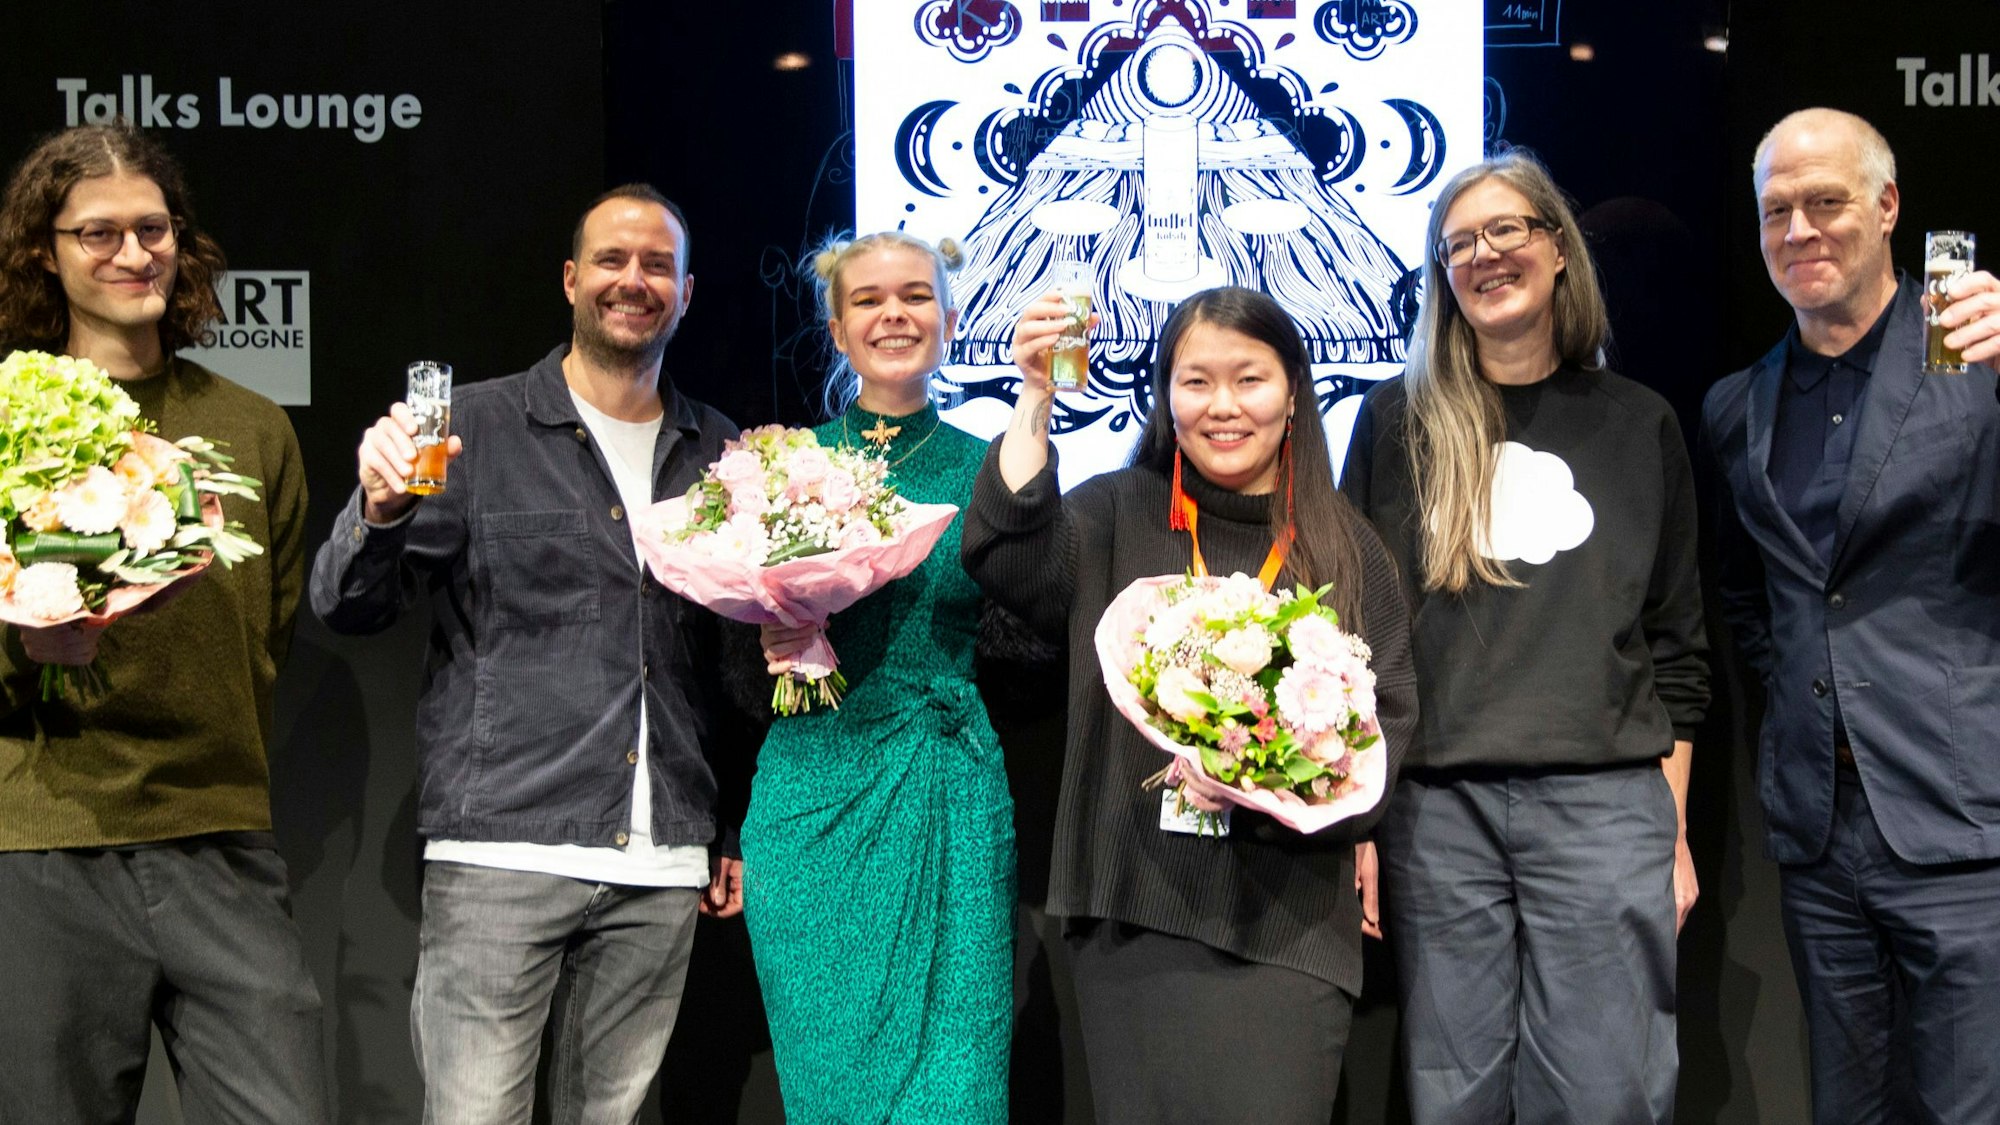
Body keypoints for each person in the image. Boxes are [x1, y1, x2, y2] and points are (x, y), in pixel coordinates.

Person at [310, 184, 749, 1123]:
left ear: (687, 292)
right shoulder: (471, 424)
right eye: (612, 260)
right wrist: (377, 511)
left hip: (664, 859)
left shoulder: (725, 451)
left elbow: (735, 670)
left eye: (657, 265)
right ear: (570, 279)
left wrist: (732, 828)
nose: (633, 281)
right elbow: (345, 604)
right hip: (503, 847)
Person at [962, 284, 1417, 1123]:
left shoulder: (1346, 545)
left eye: (1249, 379)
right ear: (1166, 397)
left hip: (1287, 924)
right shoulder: (1112, 511)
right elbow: (1006, 557)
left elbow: (1388, 722)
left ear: (1293, 393)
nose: (1223, 406)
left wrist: (1287, 778)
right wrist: (1035, 394)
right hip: (1133, 910)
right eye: (1195, 381)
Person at [1340, 150, 1707, 1124]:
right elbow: (1353, 645)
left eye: (1506, 230)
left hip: (1601, 808)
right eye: (1458, 243)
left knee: (1605, 1094)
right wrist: (1362, 828)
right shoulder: (1393, 423)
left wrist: (1668, 829)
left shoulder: (1640, 424)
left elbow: (1677, 649)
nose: (1484, 254)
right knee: (1449, 1097)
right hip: (1432, 818)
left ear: (1555, 248)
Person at [0, 124, 326, 1123]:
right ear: (44, 253)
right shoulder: (8, 415)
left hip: (219, 836)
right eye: (97, 233)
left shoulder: (251, 425)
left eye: (153, 229)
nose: (133, 254)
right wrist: (27, 647)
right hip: (50, 846)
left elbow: (266, 627)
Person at [1702, 107, 2000, 1124]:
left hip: (1962, 820)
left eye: (1823, 201)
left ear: (1886, 208)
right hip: (1817, 834)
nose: (1797, 230)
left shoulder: (1977, 363)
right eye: (1773, 210)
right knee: (1847, 1110)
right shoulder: (1734, 406)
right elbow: (1750, 597)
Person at [748, 231, 1016, 1121]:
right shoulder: (780, 469)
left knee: (957, 1086)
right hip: (813, 798)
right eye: (868, 299)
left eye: (915, 295)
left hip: (949, 794)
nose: (893, 313)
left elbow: (1034, 630)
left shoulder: (992, 470)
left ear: (949, 317)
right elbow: (724, 655)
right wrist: (776, 639)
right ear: (836, 327)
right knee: (830, 1087)